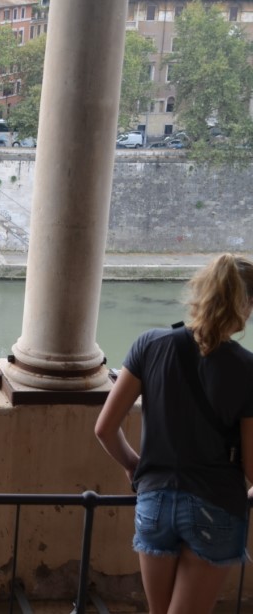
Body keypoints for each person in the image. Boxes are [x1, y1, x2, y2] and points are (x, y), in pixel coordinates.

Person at [95, 254, 253, 614]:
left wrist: (133, 465)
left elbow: (104, 428)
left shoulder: (149, 344)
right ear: (244, 304)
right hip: (215, 505)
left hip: (154, 501)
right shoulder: (247, 369)